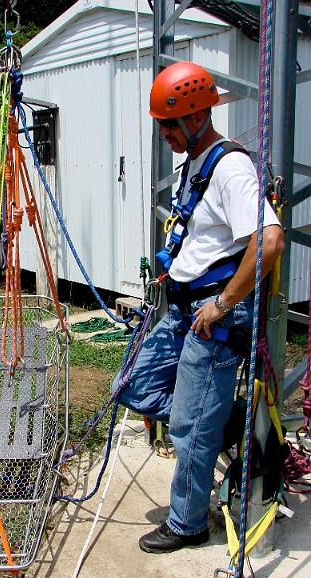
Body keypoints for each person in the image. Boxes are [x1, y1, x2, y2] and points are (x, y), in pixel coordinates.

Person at [114, 62, 285, 553]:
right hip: (183, 310)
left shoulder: (231, 167)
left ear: (193, 117)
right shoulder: (196, 162)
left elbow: (269, 241)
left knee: (187, 427)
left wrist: (223, 302)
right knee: (130, 384)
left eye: (168, 124)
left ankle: (187, 523)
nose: (163, 133)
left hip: (214, 318)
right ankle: (220, 421)